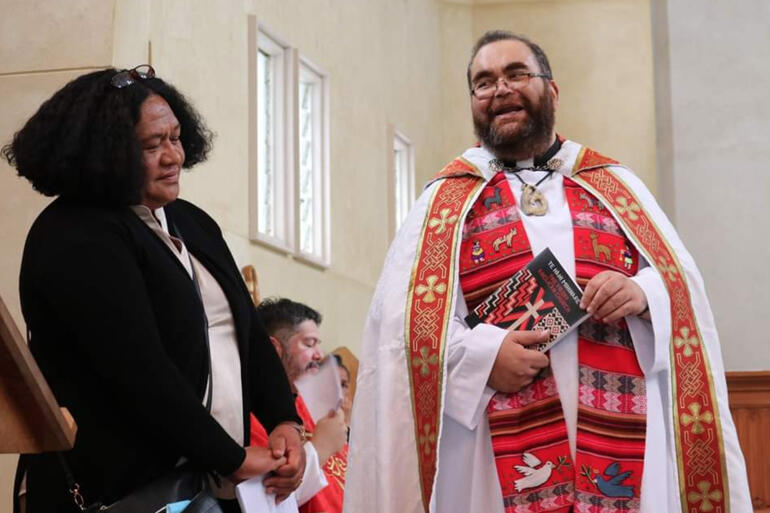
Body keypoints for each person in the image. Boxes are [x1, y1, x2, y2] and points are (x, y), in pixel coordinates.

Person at [344, 31, 752, 513]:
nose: (500, 89)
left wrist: (641, 292)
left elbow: (681, 288)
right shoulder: (445, 201)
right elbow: (402, 326)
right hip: (492, 446)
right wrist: (483, 356)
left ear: (551, 90)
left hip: (620, 434)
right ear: (472, 102)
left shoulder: (615, 185)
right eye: (483, 82)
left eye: (516, 73)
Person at [2, 65, 305, 513]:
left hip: (204, 486)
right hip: (118, 487)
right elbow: (137, 371)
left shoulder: (193, 222)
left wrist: (285, 420)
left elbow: (247, 337)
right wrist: (232, 458)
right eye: (152, 145)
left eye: (176, 137)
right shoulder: (73, 235)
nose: (174, 156)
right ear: (106, 152)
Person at [250, 298, 348, 513]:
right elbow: (264, 501)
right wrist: (321, 448)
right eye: (309, 343)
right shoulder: (251, 415)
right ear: (274, 349)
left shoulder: (309, 404)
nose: (319, 355)